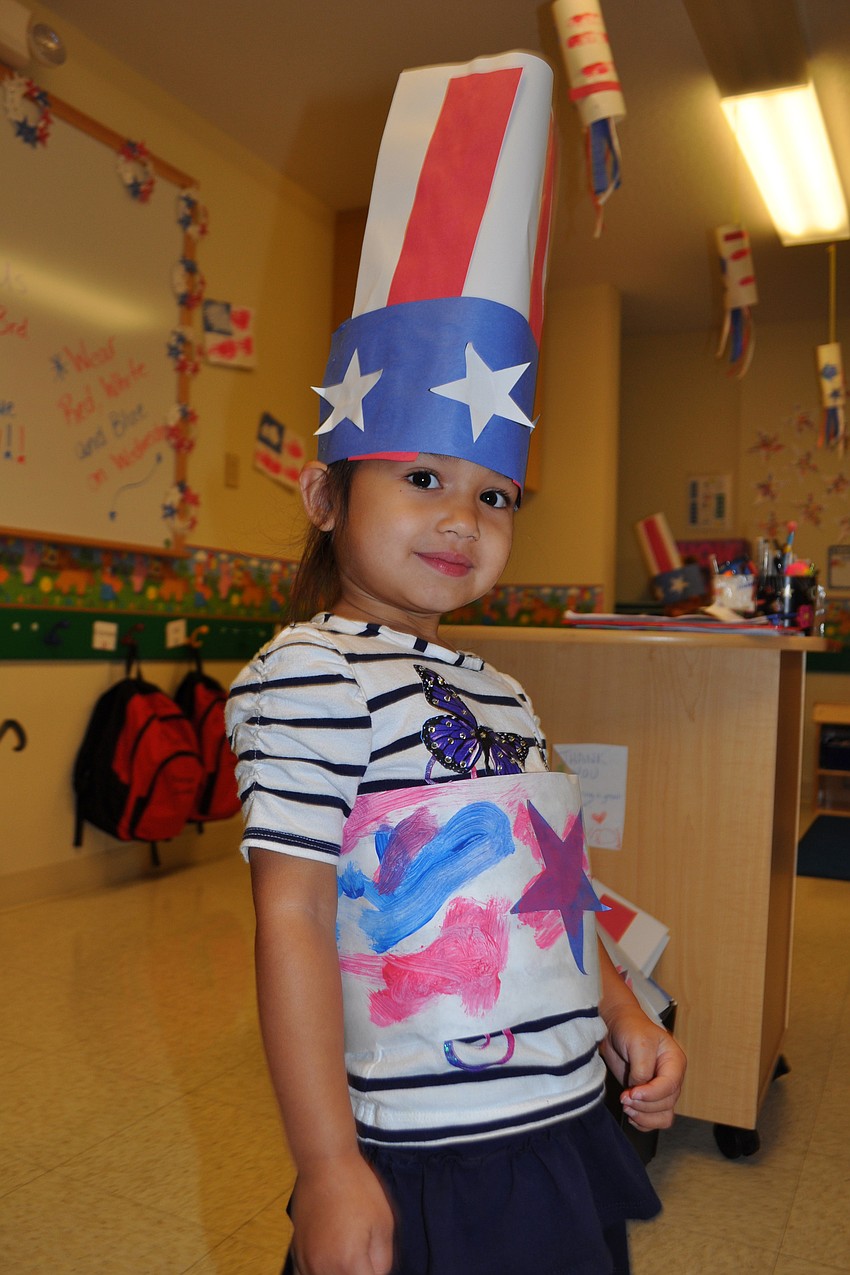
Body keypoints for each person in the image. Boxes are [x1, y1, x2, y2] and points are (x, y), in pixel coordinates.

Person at [227, 51, 686, 1275]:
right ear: (327, 493)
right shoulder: (307, 676)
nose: (461, 518)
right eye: (421, 478)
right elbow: (291, 915)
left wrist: (624, 1011)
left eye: (495, 495)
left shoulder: (501, 688)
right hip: (422, 1142)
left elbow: (551, 888)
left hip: (556, 1112)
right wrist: (329, 1163)